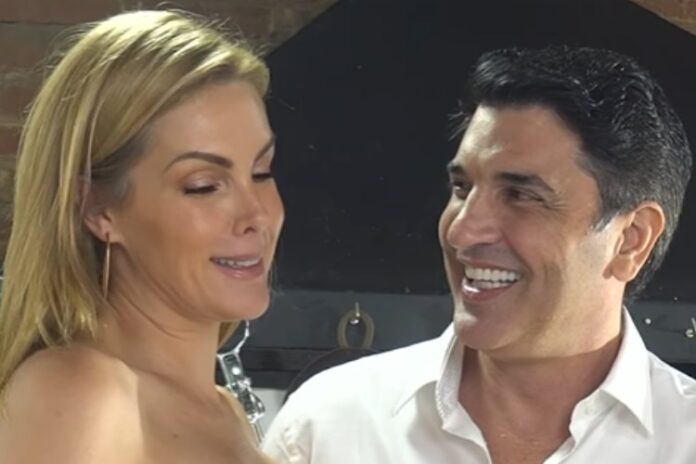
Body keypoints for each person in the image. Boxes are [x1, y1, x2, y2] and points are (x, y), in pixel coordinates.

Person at [262, 46, 696, 463]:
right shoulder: (328, 427)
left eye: (521, 195)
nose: (461, 230)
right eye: (461, 188)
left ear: (631, 239)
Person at [0, 10, 283, 464]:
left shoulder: (224, 410)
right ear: (97, 209)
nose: (258, 215)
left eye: (262, 172)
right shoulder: (79, 393)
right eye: (203, 186)